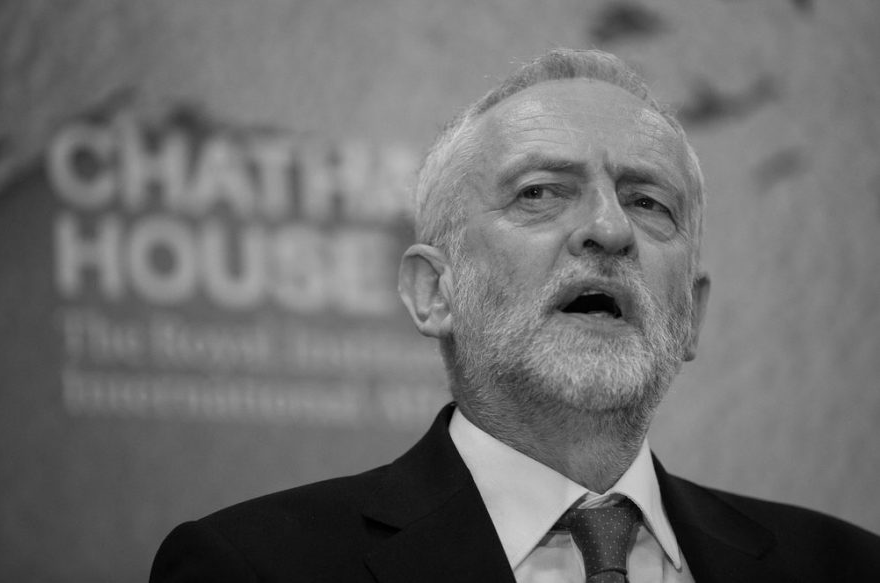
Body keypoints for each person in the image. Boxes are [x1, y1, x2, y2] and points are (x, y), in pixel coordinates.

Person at [150, 49, 880, 583]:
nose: (608, 228)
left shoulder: (847, 565)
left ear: (690, 315)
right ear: (434, 292)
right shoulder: (254, 566)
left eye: (648, 202)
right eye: (539, 192)